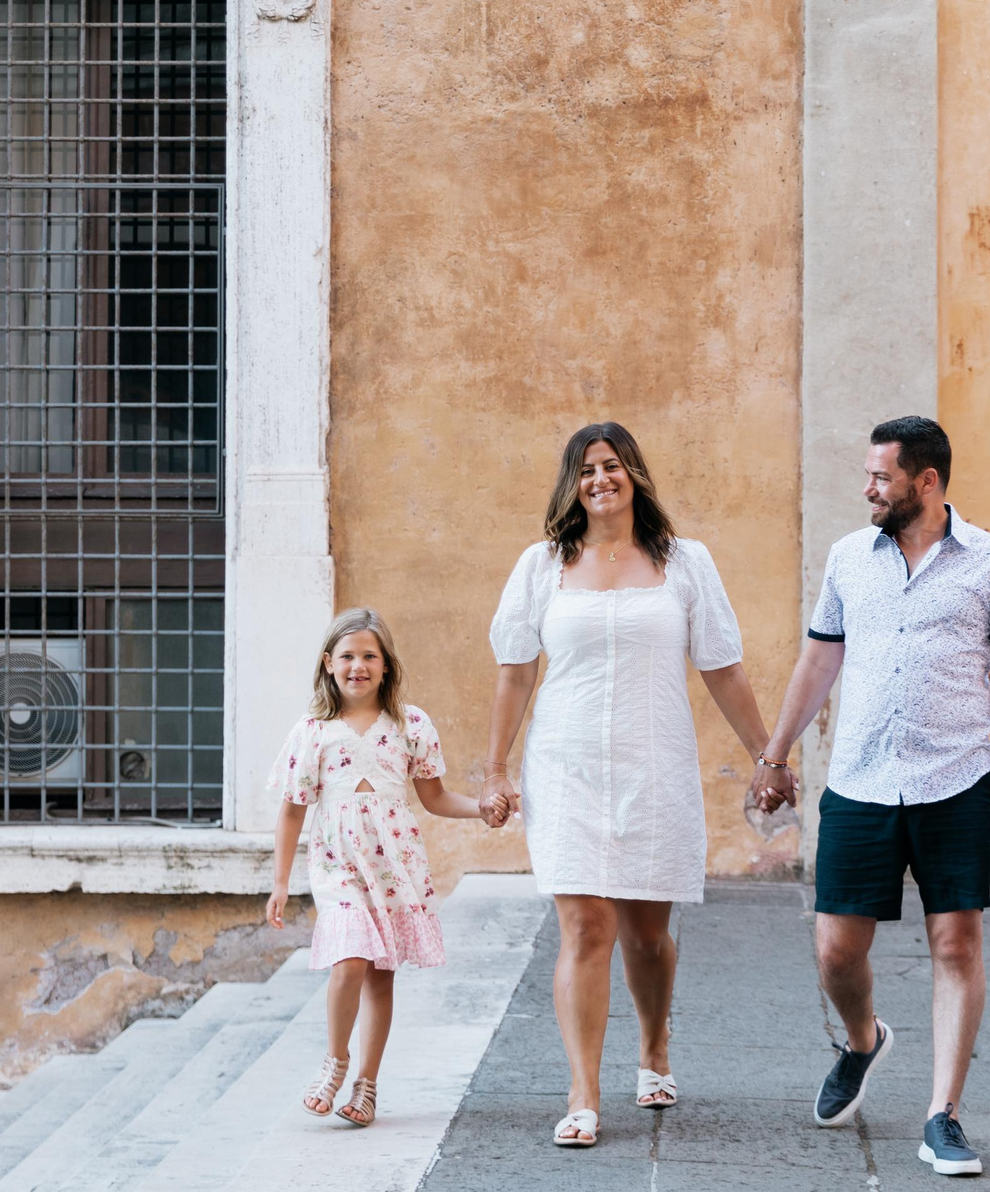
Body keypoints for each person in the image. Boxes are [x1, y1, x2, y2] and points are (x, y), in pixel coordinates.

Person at [751, 415, 990, 1178]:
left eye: (881, 477)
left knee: (957, 942)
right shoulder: (851, 555)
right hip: (860, 779)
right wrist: (775, 753)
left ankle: (942, 1113)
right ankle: (862, 1040)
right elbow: (819, 658)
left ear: (927, 481)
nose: (868, 488)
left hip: (956, 779)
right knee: (836, 950)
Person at [479, 422, 777, 1148]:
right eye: (585, 470)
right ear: (570, 484)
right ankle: (582, 1091)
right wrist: (494, 764)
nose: (599, 479)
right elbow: (516, 669)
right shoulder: (542, 564)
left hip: (654, 763)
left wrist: (768, 752)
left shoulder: (684, 562)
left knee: (646, 934)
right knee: (586, 925)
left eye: (611, 465)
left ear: (635, 473)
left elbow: (723, 667)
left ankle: (653, 1049)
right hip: (566, 764)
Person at [264, 609, 487, 1126]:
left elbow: (434, 797)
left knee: (380, 977)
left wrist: (483, 808)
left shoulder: (411, 724)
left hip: (393, 861)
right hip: (337, 861)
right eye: (347, 656)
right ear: (327, 664)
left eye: (369, 656)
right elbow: (293, 808)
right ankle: (335, 1060)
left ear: (386, 666)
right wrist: (280, 884)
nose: (358, 666)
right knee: (349, 957)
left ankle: (367, 1086)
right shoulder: (312, 731)